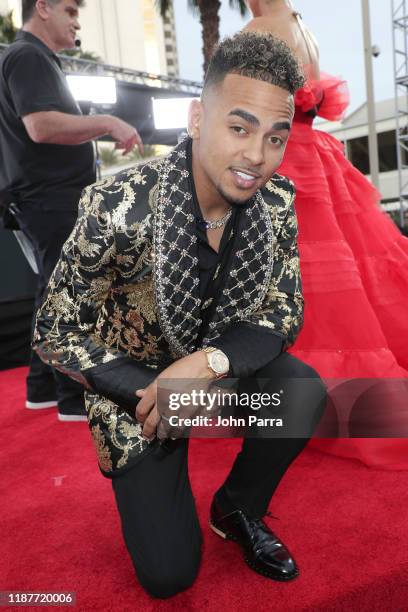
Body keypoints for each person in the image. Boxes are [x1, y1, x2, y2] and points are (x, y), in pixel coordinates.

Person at [33, 31, 327, 598]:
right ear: (196, 120)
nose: (256, 156)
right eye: (239, 128)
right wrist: (156, 390)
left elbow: (283, 309)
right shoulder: (116, 209)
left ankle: (237, 508)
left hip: (216, 380)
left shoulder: (277, 202)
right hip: (135, 396)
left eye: (274, 138)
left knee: (301, 391)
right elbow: (53, 331)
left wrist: (209, 365)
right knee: (169, 577)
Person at [244, 0, 408, 469]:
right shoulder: (300, 25)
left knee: (301, 290)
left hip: (282, 158)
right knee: (341, 286)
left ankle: (303, 405)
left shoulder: (260, 26)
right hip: (314, 154)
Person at [0, 0, 142, 421]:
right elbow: (41, 126)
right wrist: (107, 122)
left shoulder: (31, 56)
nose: (76, 20)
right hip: (47, 196)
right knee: (68, 295)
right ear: (42, 8)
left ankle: (42, 388)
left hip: (43, 196)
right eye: (69, 10)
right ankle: (69, 397)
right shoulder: (27, 54)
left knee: (53, 291)